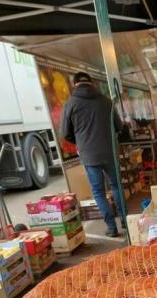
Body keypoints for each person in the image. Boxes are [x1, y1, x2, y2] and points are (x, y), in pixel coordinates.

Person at [61, 72, 125, 237]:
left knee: (98, 192)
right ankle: (125, 221)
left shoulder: (71, 104)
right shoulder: (106, 101)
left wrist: (81, 141)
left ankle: (111, 227)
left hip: (89, 154)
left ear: (74, 84)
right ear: (91, 83)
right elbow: (119, 126)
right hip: (110, 151)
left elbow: (65, 132)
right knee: (116, 185)